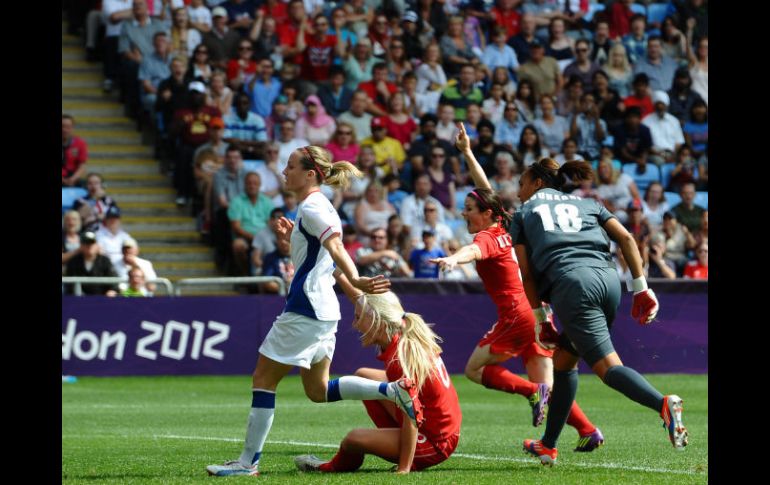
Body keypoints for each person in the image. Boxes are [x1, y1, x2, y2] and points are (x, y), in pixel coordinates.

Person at [206, 146, 418, 477]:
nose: (283, 172)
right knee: (317, 391)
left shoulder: (313, 206)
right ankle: (392, 390)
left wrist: (357, 278)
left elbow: (335, 248)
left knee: (263, 379)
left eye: (290, 167)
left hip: (305, 308)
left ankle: (248, 464)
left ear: (309, 175)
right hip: (323, 309)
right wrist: (296, 239)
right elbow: (321, 253)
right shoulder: (319, 208)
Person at [431, 123, 603, 451]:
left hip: (517, 313)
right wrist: (467, 152)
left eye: (468, 210)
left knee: (474, 370)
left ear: (485, 214)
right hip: (539, 312)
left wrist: (455, 258)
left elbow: (475, 249)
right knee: (548, 386)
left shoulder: (487, 235)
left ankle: (529, 393)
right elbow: (486, 191)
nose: (464, 214)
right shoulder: (511, 225)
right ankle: (587, 430)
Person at [508, 158, 688, 465]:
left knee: (607, 368)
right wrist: (642, 289)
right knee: (565, 360)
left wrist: (541, 318)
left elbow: (526, 274)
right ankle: (548, 445)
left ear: (537, 183)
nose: (518, 191)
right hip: (609, 281)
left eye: (521, 184)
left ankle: (663, 404)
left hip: (572, 285)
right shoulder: (588, 203)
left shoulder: (523, 213)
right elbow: (627, 238)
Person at [294, 275, 461, 473]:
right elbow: (362, 301)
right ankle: (393, 440)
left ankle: (327, 467)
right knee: (364, 377)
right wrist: (338, 273)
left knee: (353, 439)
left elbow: (411, 414)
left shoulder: (399, 360)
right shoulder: (401, 330)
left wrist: (405, 467)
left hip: (434, 442)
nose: (355, 325)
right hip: (441, 429)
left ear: (377, 321)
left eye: (358, 318)